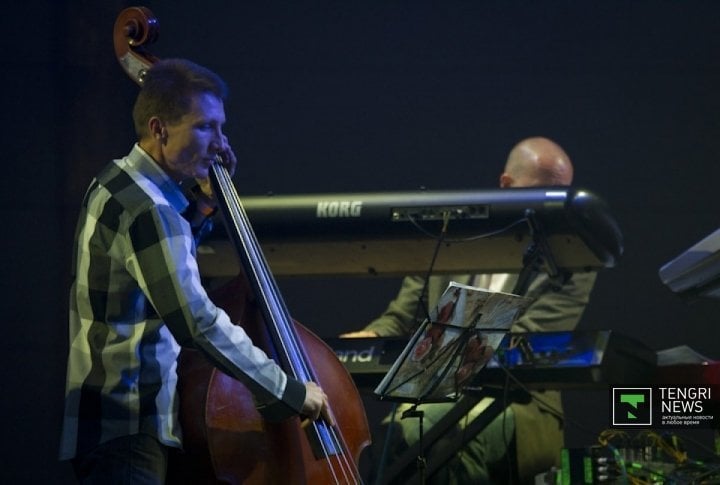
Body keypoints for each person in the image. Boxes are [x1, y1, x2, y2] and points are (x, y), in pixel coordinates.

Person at [59, 58, 332, 483]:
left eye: (221, 127)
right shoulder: (149, 209)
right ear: (159, 129)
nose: (221, 144)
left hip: (106, 423)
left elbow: (156, 266)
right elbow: (196, 322)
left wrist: (204, 205)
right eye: (205, 127)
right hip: (131, 425)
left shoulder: (116, 181)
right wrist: (285, 389)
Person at [343, 136, 596, 484]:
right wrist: (361, 343)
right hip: (432, 396)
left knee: (433, 440)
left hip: (515, 403)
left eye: (561, 195)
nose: (553, 207)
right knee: (398, 443)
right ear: (506, 185)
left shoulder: (572, 256)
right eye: (542, 194)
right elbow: (401, 318)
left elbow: (529, 338)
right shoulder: (448, 238)